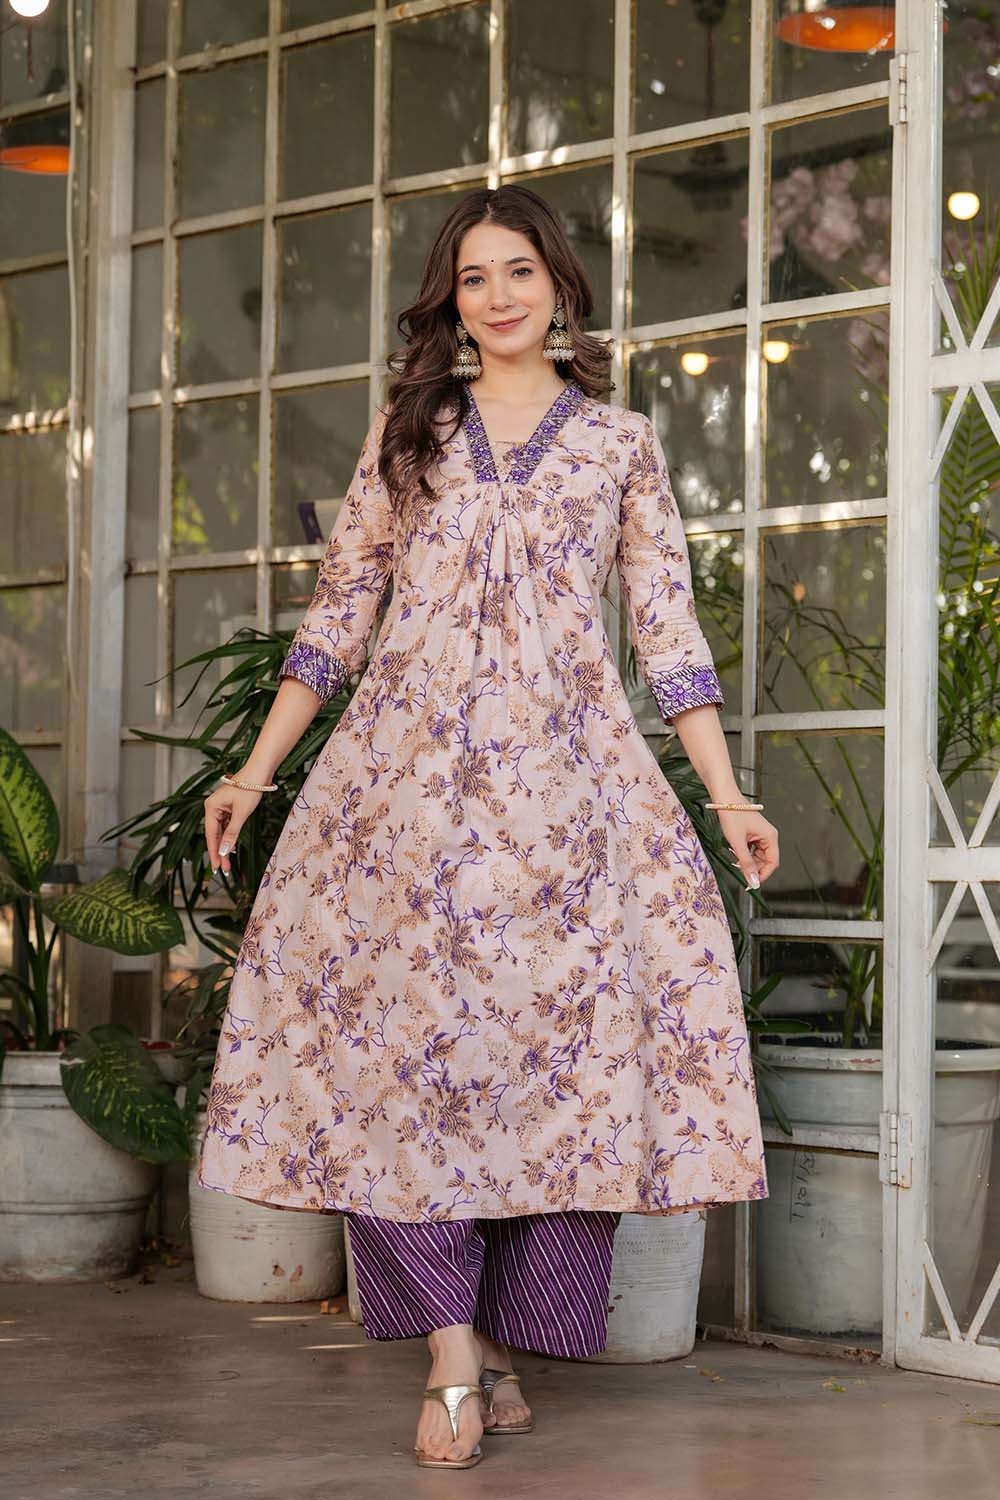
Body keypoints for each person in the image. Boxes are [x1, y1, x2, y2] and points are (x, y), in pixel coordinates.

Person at [198, 184, 778, 1470]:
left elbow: (666, 631)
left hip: (568, 805)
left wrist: (726, 794)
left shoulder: (619, 445)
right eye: (473, 277)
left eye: (520, 270)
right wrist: (253, 770)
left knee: (566, 1065)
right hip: (400, 803)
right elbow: (339, 612)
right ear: (448, 302)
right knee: (399, 1068)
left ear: (560, 285)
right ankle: (451, 1354)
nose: (499, 295)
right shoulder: (412, 430)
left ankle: (508, 1338)